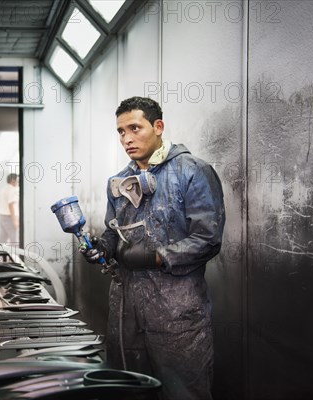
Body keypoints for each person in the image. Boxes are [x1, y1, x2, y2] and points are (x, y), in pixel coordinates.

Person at [80, 97, 225, 400]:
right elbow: (113, 231)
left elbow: (207, 238)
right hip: (126, 313)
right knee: (128, 392)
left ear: (158, 127)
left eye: (135, 128)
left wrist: (157, 257)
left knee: (183, 393)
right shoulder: (119, 182)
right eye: (120, 132)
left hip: (177, 316)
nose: (127, 138)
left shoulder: (193, 172)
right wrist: (103, 247)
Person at [0, 173, 19, 244]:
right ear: (13, 180)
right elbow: (11, 205)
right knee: (14, 239)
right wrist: (15, 220)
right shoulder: (12, 189)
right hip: (9, 217)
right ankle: (15, 254)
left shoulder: (4, 189)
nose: (18, 182)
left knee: (3, 239)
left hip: (2, 217)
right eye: (17, 180)